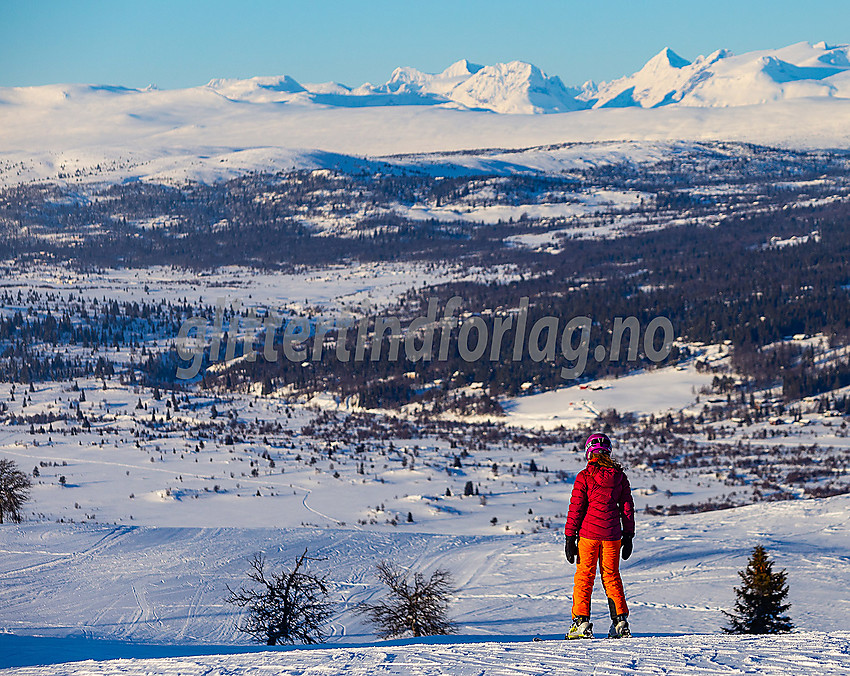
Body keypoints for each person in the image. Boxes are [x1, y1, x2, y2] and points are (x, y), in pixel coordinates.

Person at [564, 432, 635, 639]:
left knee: (585, 577)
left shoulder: (584, 476)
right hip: (613, 536)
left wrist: (570, 538)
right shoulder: (620, 477)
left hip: (588, 536)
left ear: (589, 453)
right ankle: (620, 622)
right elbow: (627, 508)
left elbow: (576, 509)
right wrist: (628, 535)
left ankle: (581, 623)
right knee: (612, 576)